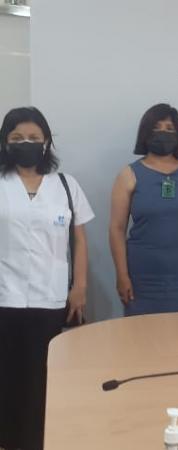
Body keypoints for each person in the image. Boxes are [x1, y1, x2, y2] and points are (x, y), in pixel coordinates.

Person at [0, 107, 94, 450]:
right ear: (5, 143)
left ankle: (41, 441)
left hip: (51, 299)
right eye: (16, 138)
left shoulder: (66, 185)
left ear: (46, 142)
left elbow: (79, 241)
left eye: (33, 137)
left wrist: (79, 287)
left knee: (44, 377)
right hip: (5, 298)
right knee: (7, 377)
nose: (25, 143)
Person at [110, 104, 178, 316]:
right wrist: (122, 275)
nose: (163, 133)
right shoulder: (129, 174)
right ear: (145, 133)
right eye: (157, 128)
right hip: (142, 279)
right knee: (142, 333)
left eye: (170, 128)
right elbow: (116, 229)